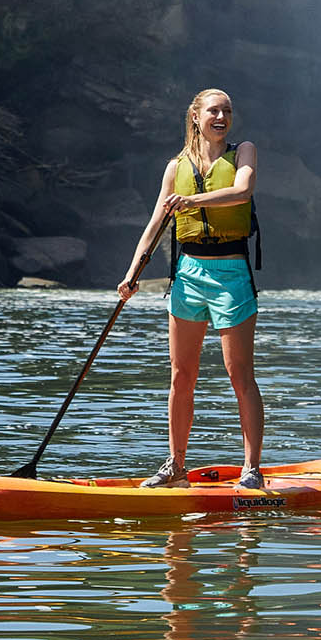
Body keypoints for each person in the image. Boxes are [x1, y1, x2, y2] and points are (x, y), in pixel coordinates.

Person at [117, 87, 265, 490]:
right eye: (214, 111)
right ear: (195, 117)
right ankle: (175, 466)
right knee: (181, 376)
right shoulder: (175, 167)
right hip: (188, 275)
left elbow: (243, 190)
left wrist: (194, 200)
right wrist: (132, 274)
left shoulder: (243, 152)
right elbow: (155, 225)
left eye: (227, 111)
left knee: (240, 376)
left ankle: (252, 470)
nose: (222, 117)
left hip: (231, 273)